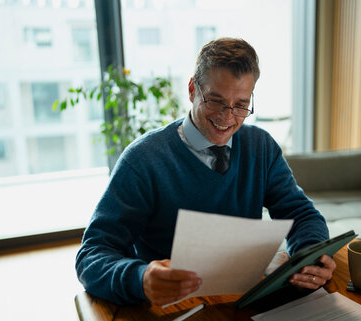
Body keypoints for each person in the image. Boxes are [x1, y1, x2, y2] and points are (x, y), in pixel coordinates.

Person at [76, 37, 335, 306]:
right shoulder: (143, 160)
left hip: (243, 302)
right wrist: (140, 278)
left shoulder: (261, 147)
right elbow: (92, 254)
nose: (227, 116)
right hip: (169, 308)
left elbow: (301, 214)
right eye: (215, 100)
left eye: (241, 104)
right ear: (192, 90)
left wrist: (310, 256)